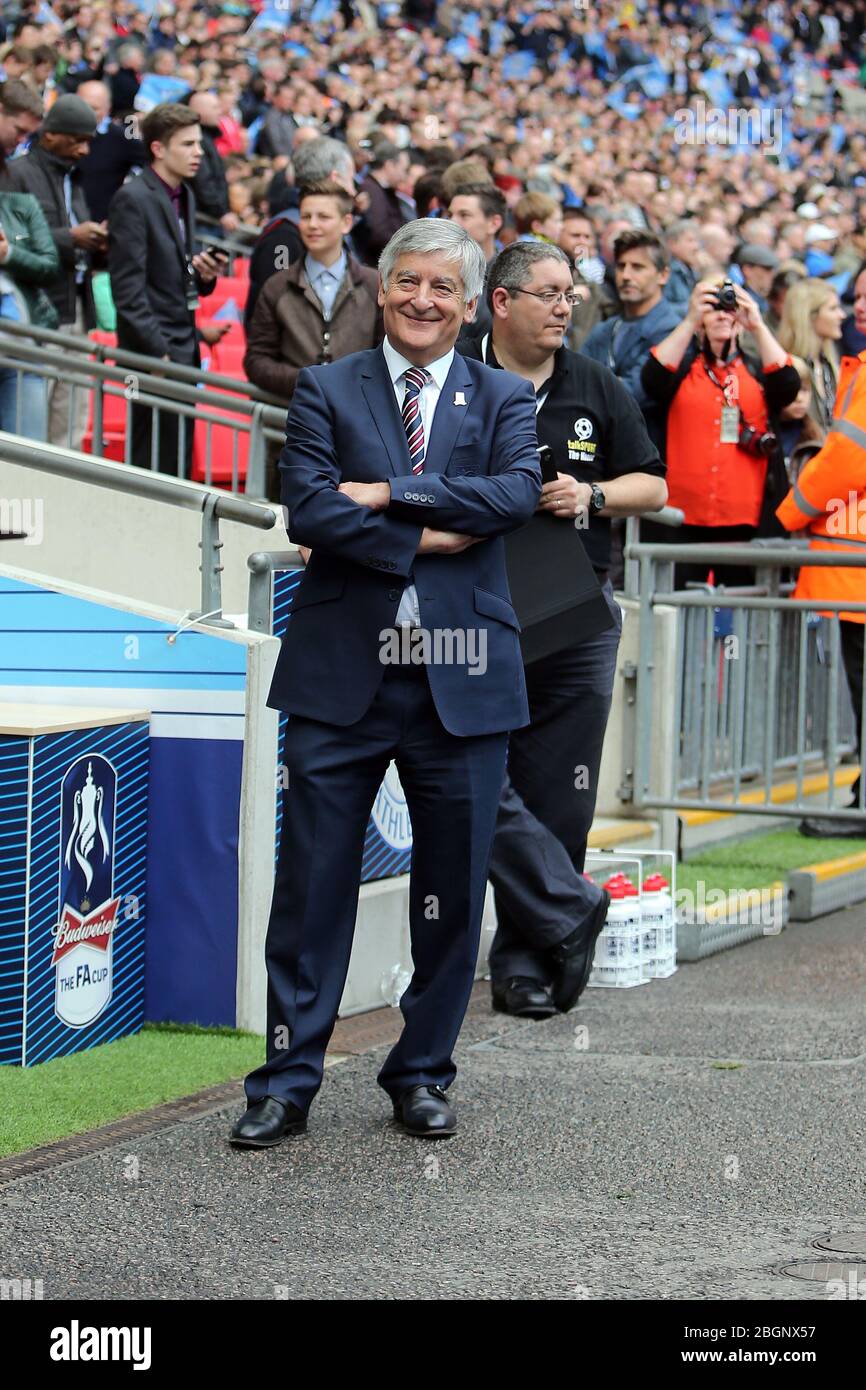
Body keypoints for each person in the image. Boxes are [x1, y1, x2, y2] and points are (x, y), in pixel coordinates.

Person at [230, 219, 541, 1147]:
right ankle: (286, 1080)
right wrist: (428, 528)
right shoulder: (327, 386)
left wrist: (388, 492)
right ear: (383, 285)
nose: (422, 301)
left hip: (462, 678)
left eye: (443, 288)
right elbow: (311, 509)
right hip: (342, 676)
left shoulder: (504, 397)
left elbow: (516, 497)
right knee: (311, 887)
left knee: (449, 891)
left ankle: (422, 1074)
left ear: (472, 303)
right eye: (408, 282)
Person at [459, 240, 666, 1018]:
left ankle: (529, 964)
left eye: (570, 294)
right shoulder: (459, 374)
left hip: (577, 614)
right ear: (502, 301)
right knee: (473, 775)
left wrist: (595, 495)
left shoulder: (595, 382)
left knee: (563, 799)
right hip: (478, 609)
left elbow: (654, 482)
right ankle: (566, 908)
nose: (564, 306)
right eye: (548, 293)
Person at [778, 262, 866, 839]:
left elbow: (847, 459)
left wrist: (792, 511)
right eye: (856, 296)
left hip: (854, 564)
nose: (859, 306)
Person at [641, 278, 800, 587]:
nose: (722, 314)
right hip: (681, 519)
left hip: (746, 521)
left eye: (729, 308)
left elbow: (789, 383)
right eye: (713, 308)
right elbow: (652, 377)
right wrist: (690, 320)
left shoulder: (755, 371)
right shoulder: (683, 370)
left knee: (744, 619)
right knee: (679, 615)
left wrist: (756, 323)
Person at [244, 181, 382, 495]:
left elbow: (384, 354)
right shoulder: (277, 287)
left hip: (357, 434)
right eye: (306, 217)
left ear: (347, 223)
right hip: (290, 432)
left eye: (323, 216)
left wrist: (346, 385)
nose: (312, 225)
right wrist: (309, 383)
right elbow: (256, 360)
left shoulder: (375, 287)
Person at [107, 102, 222, 475]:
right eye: (188, 144)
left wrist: (203, 275)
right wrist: (158, 353)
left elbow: (174, 273)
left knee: (178, 455)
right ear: (158, 148)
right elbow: (127, 289)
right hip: (153, 353)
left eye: (199, 144)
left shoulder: (183, 194)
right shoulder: (133, 198)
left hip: (182, 343)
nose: (198, 153)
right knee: (152, 456)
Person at [2, 93, 104, 448]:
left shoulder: (74, 179)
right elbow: (15, 244)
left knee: (72, 412)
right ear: (51, 135)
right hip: (39, 310)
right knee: (32, 413)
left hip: (76, 306)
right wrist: (71, 238)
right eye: (77, 141)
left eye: (88, 142)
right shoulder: (16, 174)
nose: (84, 150)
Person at [581, 229, 681, 451]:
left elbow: (636, 393)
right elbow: (573, 381)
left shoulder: (674, 333)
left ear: (663, 275)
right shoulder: (605, 329)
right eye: (621, 266)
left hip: (647, 453)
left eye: (638, 267)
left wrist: (594, 387)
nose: (626, 275)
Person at [244, 136, 357, 330]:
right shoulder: (284, 235)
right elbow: (273, 309)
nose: (353, 191)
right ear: (334, 178)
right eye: (350, 180)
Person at [0, 186, 58, 437]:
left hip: (21, 347)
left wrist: (8, 254)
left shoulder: (21, 205)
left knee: (29, 455)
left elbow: (49, 266)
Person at [777, 278, 845, 435]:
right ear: (810, 316)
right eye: (833, 309)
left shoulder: (829, 364)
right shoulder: (787, 370)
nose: (841, 315)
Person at [76, 79, 144, 224]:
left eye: (94, 108)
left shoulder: (123, 139)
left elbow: (153, 166)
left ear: (108, 108)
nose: (87, 113)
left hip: (102, 226)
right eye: (83, 106)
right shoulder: (61, 135)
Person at [447, 181, 505, 342]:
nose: (452, 222)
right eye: (450, 214)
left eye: (464, 215)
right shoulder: (435, 272)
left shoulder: (509, 281)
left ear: (493, 224)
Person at [186, 88, 238, 237]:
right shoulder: (198, 140)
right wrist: (221, 211)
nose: (220, 111)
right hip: (204, 221)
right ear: (199, 111)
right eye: (215, 107)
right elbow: (202, 180)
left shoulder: (208, 138)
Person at [353, 141, 410, 266]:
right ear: (389, 165)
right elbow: (379, 233)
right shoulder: (371, 189)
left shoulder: (380, 189)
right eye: (404, 170)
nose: (404, 176)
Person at [663, 218, 702, 311]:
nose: (696, 247)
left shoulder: (691, 271)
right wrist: (695, 309)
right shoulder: (667, 272)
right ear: (672, 244)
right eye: (690, 240)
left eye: (697, 241)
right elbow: (661, 310)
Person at [736, 242, 779, 315]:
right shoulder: (740, 302)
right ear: (747, 270)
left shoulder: (772, 300)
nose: (773, 274)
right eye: (767, 269)